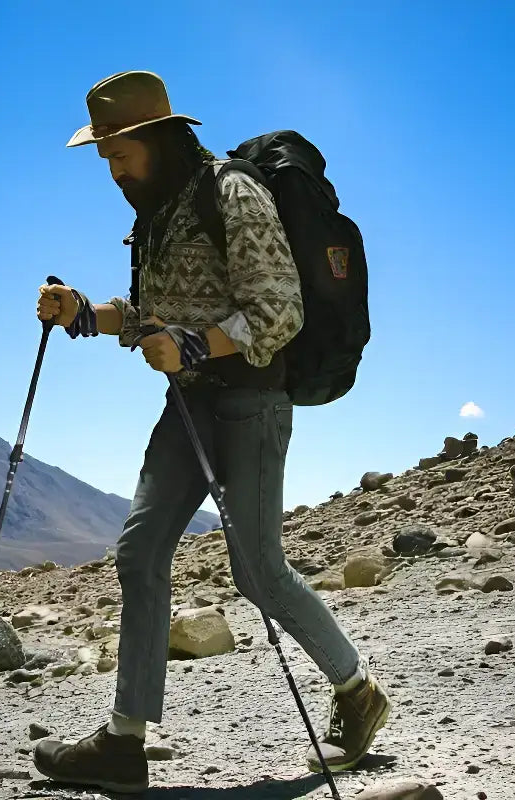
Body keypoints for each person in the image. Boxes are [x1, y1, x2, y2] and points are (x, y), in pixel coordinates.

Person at [33, 70, 391, 794]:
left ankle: (358, 690)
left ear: (154, 137)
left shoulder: (232, 193)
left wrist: (198, 345)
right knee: (139, 554)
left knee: (257, 570)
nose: (111, 168)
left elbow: (278, 314)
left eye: (117, 151)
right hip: (187, 407)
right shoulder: (155, 214)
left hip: (251, 402)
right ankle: (124, 741)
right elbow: (146, 323)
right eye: (103, 155)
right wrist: (81, 312)